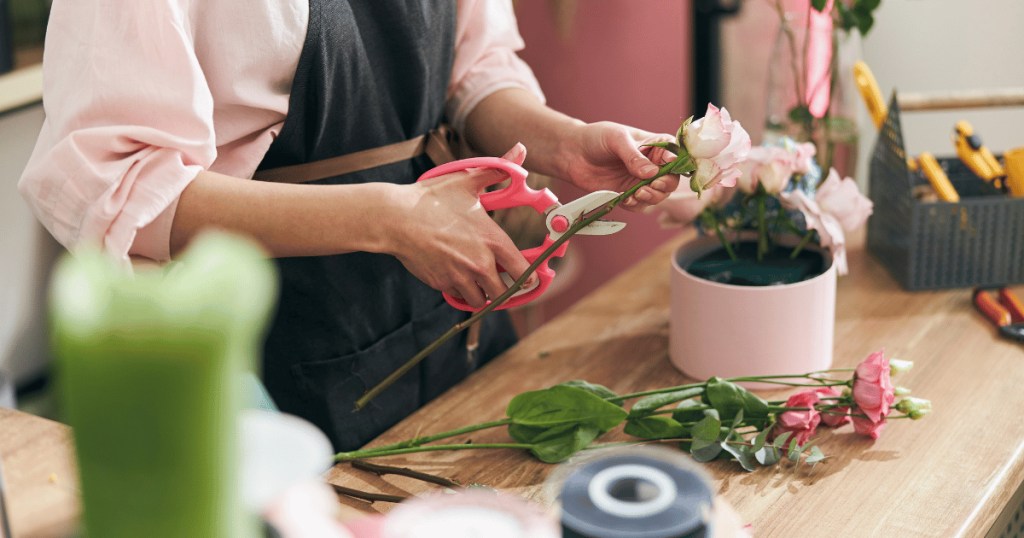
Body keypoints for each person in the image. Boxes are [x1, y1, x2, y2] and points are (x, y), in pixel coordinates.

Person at [19, 0, 680, 451]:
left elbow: (474, 70)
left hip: (448, 326)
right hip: (271, 347)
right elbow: (108, 186)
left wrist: (565, 143)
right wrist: (389, 218)